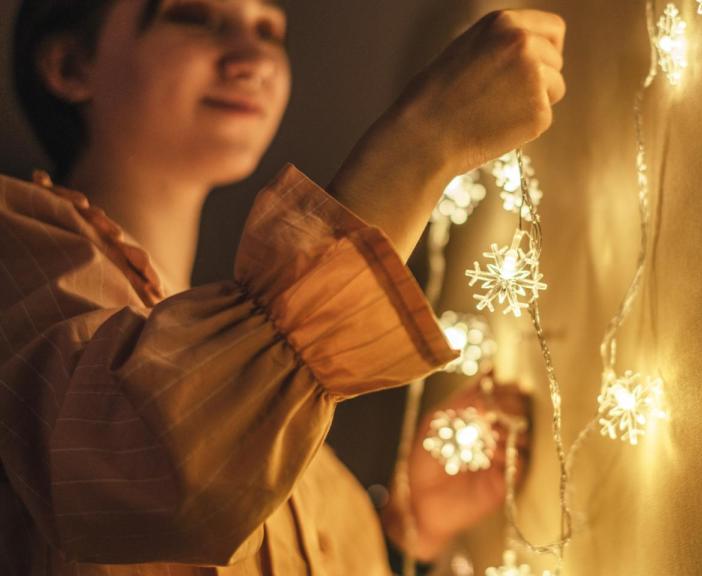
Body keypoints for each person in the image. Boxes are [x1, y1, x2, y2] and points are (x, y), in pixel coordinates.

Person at [0, 0, 566, 574]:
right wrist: (423, 141)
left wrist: (408, 527)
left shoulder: (266, 397)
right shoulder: (11, 248)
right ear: (71, 65)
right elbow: (136, 475)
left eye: (270, 31)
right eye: (193, 16)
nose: (253, 59)